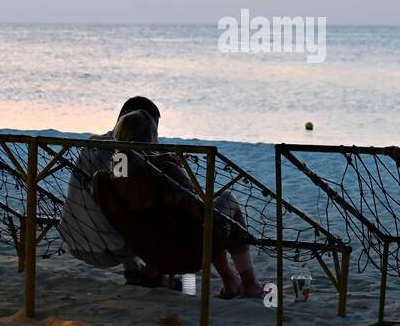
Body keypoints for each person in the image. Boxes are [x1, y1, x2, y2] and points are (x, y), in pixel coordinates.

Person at [92, 109, 264, 299]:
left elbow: (125, 171)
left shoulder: (106, 182)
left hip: (150, 254)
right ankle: (250, 284)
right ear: (151, 139)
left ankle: (231, 282)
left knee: (209, 220)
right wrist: (173, 163)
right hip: (187, 253)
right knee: (226, 202)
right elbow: (199, 209)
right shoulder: (163, 169)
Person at [59, 96, 162, 283]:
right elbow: (123, 194)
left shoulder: (93, 144)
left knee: (114, 210)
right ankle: (151, 276)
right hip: (105, 248)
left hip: (73, 236)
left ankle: (132, 268)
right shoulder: (122, 156)